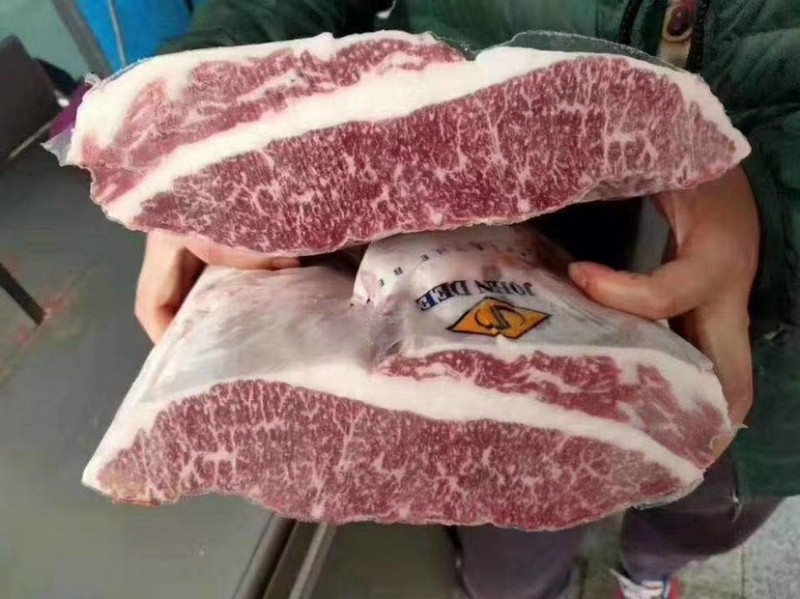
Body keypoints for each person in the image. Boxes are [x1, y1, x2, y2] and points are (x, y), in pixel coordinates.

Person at [133, 1, 800, 598]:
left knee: (700, 505)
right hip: (481, 175)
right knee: (519, 504)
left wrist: (769, 206)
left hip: (779, 350)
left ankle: (646, 575)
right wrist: (205, 133)